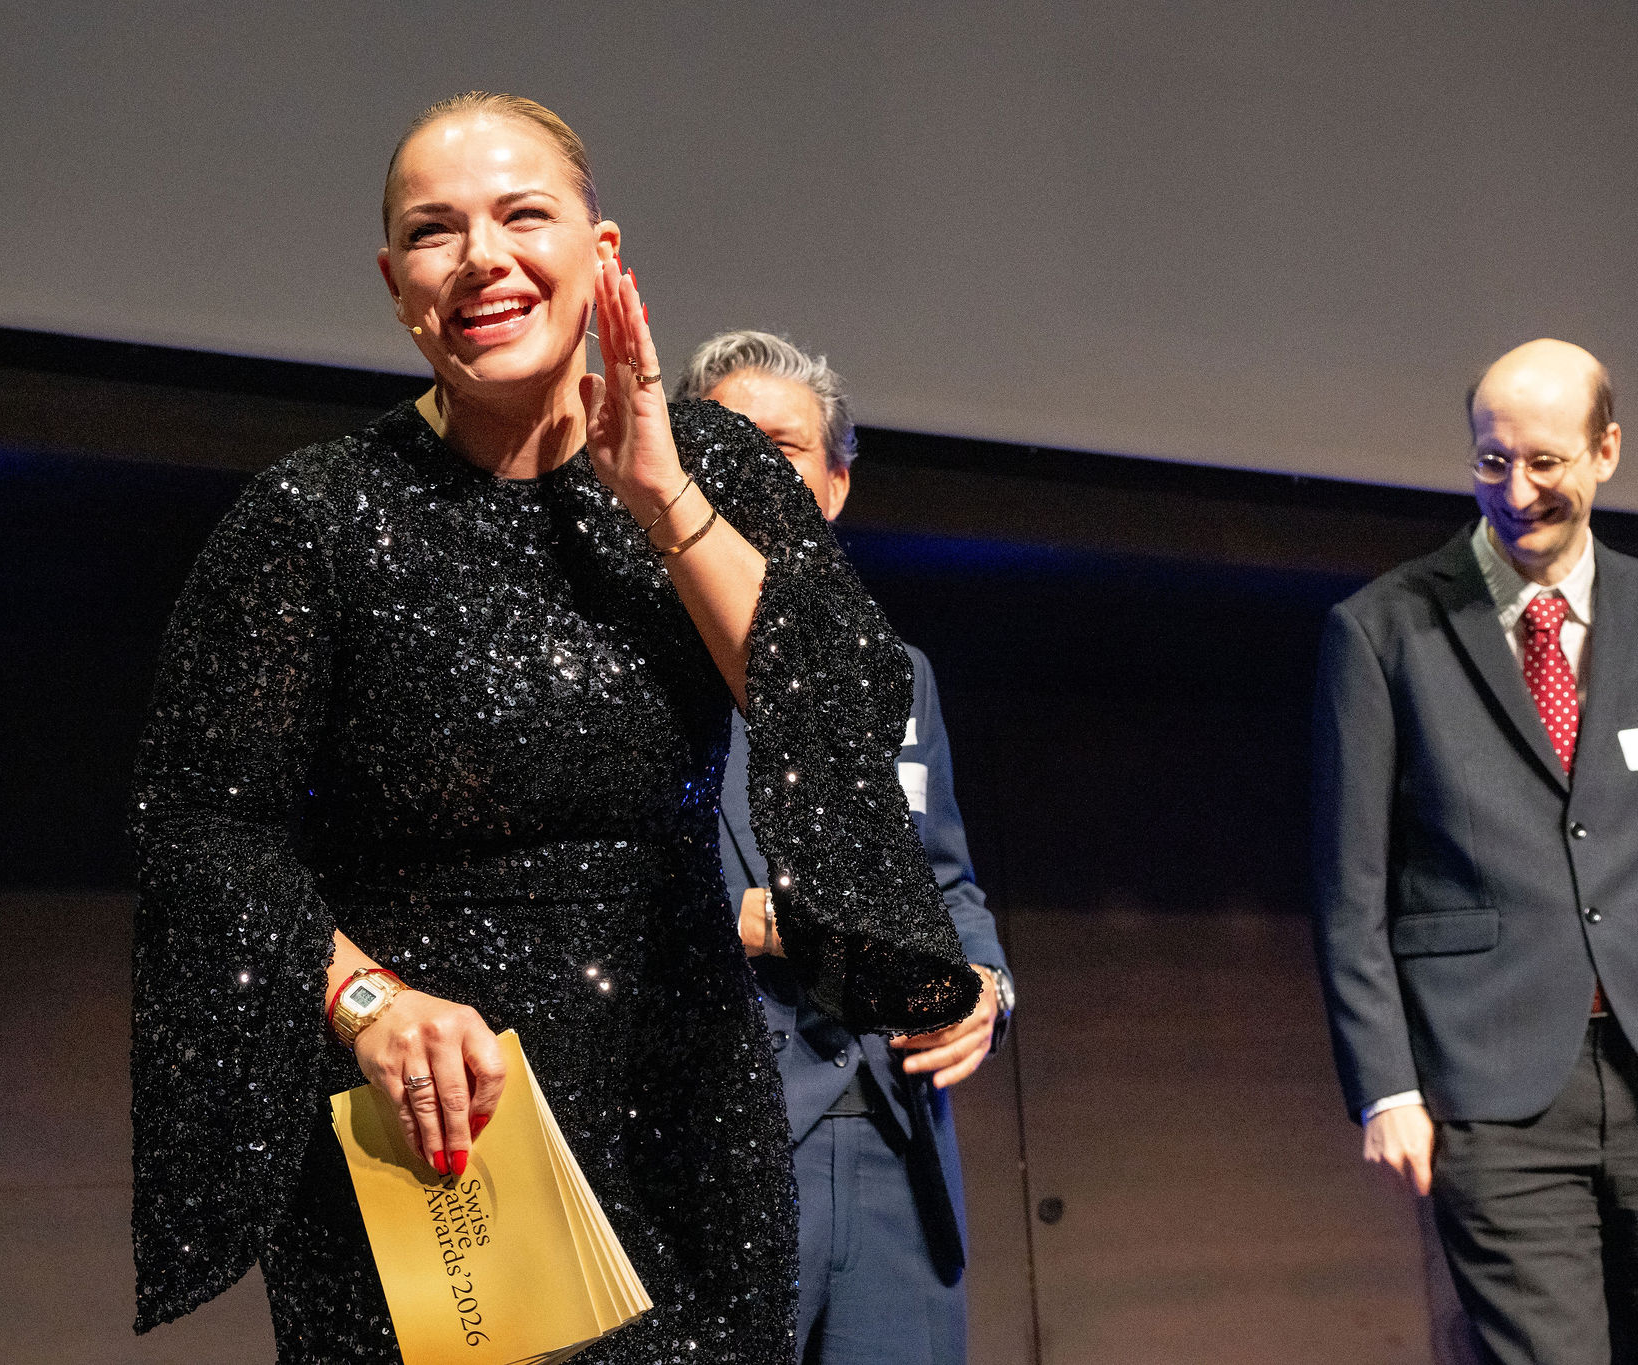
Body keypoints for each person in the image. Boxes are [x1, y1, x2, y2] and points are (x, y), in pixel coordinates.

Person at [128, 94, 979, 1364]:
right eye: (434, 231)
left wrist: (663, 497)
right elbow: (199, 831)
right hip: (440, 1123)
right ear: (395, 285)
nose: (483, 258)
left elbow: (839, 714)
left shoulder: (713, 466)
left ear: (600, 250)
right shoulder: (309, 519)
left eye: (523, 215)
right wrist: (366, 1004)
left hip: (682, 1110)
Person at [1310, 338, 1638, 1364]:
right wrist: (1385, 1086)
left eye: (1545, 462)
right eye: (1492, 462)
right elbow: (1350, 888)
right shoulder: (1382, 629)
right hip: (1495, 1084)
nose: (1516, 492)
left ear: (1605, 451)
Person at [676, 331, 1015, 1365]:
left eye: (780, 447)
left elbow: (945, 882)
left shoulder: (897, 674)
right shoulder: (630, 664)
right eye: (722, 442)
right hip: (714, 1144)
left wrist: (986, 986)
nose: (750, 466)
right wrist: (739, 921)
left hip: (898, 1145)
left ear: (833, 486)